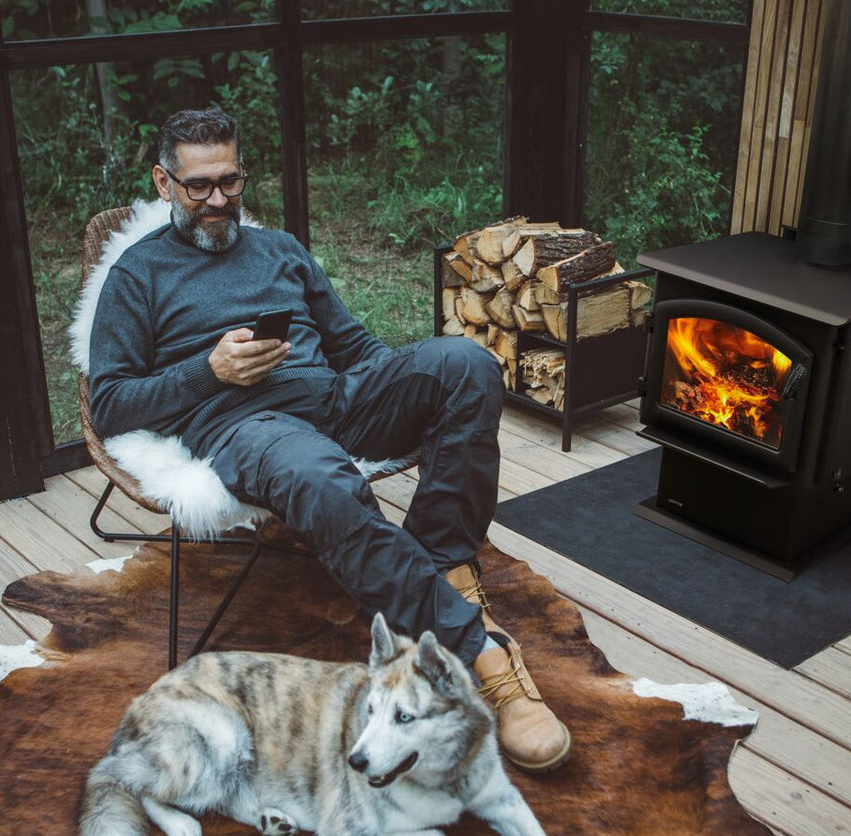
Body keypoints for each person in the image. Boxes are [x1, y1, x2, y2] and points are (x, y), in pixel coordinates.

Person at [88, 107, 571, 771]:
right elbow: (109, 405)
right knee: (319, 475)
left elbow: (352, 346)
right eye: (198, 186)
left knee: (468, 366)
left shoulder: (280, 249)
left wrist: (402, 382)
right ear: (164, 182)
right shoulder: (137, 277)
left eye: (230, 182)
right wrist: (210, 370)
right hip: (245, 429)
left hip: (336, 403)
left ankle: (438, 562)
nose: (218, 201)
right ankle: (477, 649)